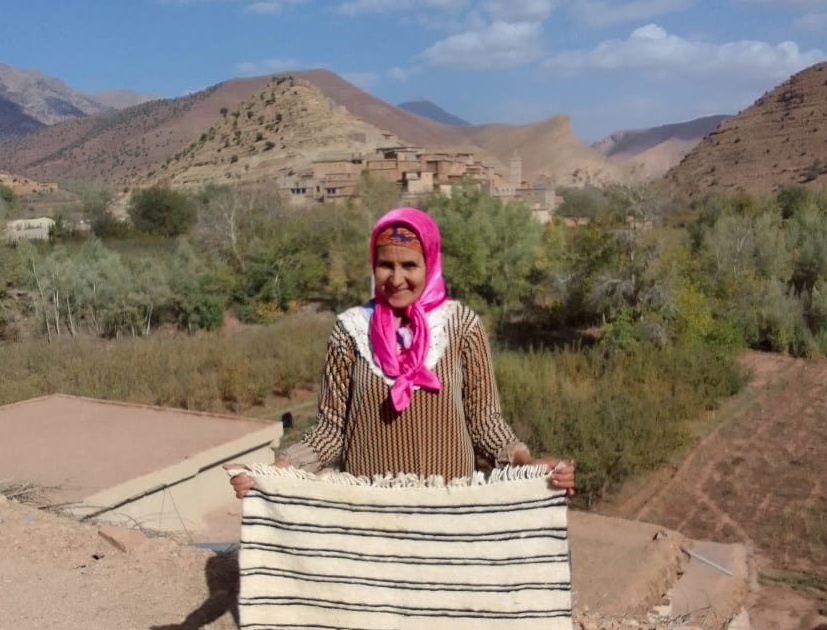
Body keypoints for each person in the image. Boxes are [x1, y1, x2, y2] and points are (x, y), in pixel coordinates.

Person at [227, 206, 575, 496]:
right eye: (385, 265)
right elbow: (330, 431)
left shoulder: (461, 325)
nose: (396, 278)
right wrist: (274, 472)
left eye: (409, 265)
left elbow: (484, 422)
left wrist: (525, 464)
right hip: (370, 510)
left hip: (448, 510)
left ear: (430, 264)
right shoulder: (349, 331)